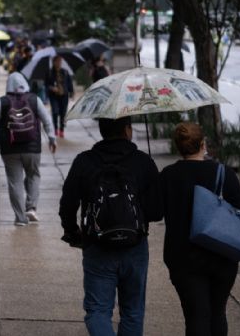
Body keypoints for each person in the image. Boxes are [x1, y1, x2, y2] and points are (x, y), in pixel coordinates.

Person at [159, 122, 240, 336]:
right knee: (217, 312)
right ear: (203, 144)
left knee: (196, 315)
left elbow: (153, 212)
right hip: (222, 254)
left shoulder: (168, 175)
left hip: (182, 258)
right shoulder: (223, 173)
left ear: (179, 147)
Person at [59, 117, 162, 336]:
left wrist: (71, 231)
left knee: (97, 310)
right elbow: (156, 212)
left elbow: (68, 203)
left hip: (97, 246)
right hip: (135, 247)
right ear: (127, 130)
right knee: (133, 311)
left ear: (102, 130)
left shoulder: (84, 161)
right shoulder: (143, 162)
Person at [0, 73, 56, 225]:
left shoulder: (2, 102)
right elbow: (46, 120)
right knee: (33, 175)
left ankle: (20, 218)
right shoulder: (34, 99)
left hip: (9, 149)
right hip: (32, 147)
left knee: (15, 182)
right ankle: (31, 208)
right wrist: (52, 138)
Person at [46, 56, 74, 138]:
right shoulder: (49, 73)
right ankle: (55, 128)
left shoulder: (65, 72)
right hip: (53, 96)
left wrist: (71, 92)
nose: (59, 63)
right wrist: (51, 88)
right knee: (55, 112)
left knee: (63, 113)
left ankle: (61, 129)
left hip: (64, 95)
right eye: (57, 61)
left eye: (60, 61)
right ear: (54, 62)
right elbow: (46, 85)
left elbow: (69, 83)